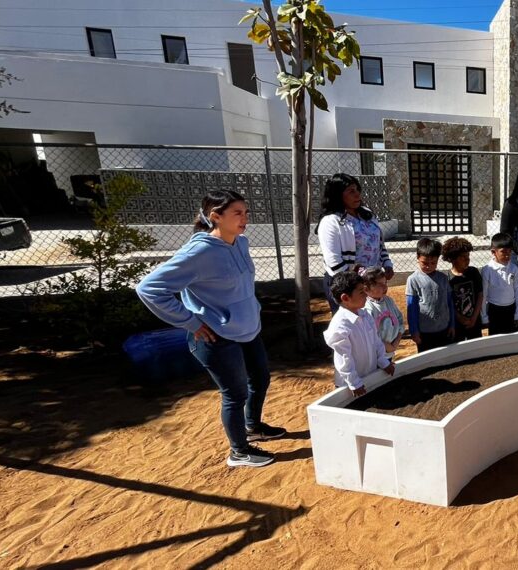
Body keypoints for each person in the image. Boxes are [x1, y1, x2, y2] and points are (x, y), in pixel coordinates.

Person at [137, 189, 284, 468]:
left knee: (260, 379)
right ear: (216, 216)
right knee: (235, 394)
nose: (245, 218)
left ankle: (252, 426)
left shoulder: (241, 242)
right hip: (216, 336)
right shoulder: (199, 252)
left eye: (246, 212)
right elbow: (149, 288)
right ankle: (239, 452)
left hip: (247, 330)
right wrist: (191, 322)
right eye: (237, 213)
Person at [316, 173, 393, 311]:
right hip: (348, 285)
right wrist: (357, 281)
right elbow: (333, 261)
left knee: (374, 319)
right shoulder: (331, 222)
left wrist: (387, 264)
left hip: (372, 282)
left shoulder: (367, 215)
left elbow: (378, 245)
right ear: (337, 195)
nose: (357, 194)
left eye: (357, 189)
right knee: (352, 321)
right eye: (351, 191)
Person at [324, 270, 396, 398]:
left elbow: (376, 341)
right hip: (350, 387)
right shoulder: (340, 326)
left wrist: (383, 362)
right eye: (361, 292)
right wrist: (354, 382)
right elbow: (343, 358)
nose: (366, 295)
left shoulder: (365, 314)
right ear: (346, 298)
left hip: (369, 375)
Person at [406, 238, 455, 352]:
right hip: (424, 332)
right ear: (418, 257)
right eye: (425, 263)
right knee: (427, 359)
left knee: (445, 357)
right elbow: (411, 307)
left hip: (444, 328)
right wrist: (414, 331)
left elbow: (449, 303)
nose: (429, 266)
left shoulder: (443, 278)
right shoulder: (413, 280)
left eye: (433, 263)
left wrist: (452, 325)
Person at [442, 237, 483, 342]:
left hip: (474, 320)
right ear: (452, 258)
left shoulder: (473, 272)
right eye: (463, 257)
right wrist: (459, 317)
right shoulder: (447, 278)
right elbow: (448, 302)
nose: (467, 259)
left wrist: (474, 318)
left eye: (468, 255)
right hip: (456, 323)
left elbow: (480, 295)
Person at [481, 232, 518, 335]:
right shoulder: (487, 270)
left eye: (509, 251)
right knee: (496, 340)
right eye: (503, 252)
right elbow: (484, 295)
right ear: (493, 252)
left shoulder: (514, 268)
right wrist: (484, 317)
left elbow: (517, 291)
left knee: (512, 339)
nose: (507, 255)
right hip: (494, 311)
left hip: (511, 310)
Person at [359, 266, 404, 361]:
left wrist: (396, 341)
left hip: (390, 350)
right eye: (380, 284)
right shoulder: (366, 308)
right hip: (376, 355)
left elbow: (399, 319)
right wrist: (387, 346)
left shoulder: (388, 301)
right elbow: (370, 335)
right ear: (366, 289)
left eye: (385, 283)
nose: (385, 287)